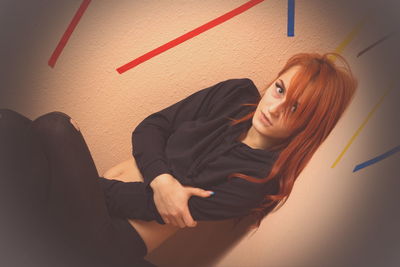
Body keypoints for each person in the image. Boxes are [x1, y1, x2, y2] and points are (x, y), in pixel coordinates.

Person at [0, 52, 357, 266]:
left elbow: (158, 209)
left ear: (308, 123)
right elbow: (152, 127)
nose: (275, 107)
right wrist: (162, 180)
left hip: (111, 238)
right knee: (12, 127)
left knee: (55, 128)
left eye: (295, 108)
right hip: (92, 203)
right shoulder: (236, 94)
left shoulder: (263, 177)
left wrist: (76, 185)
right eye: (280, 88)